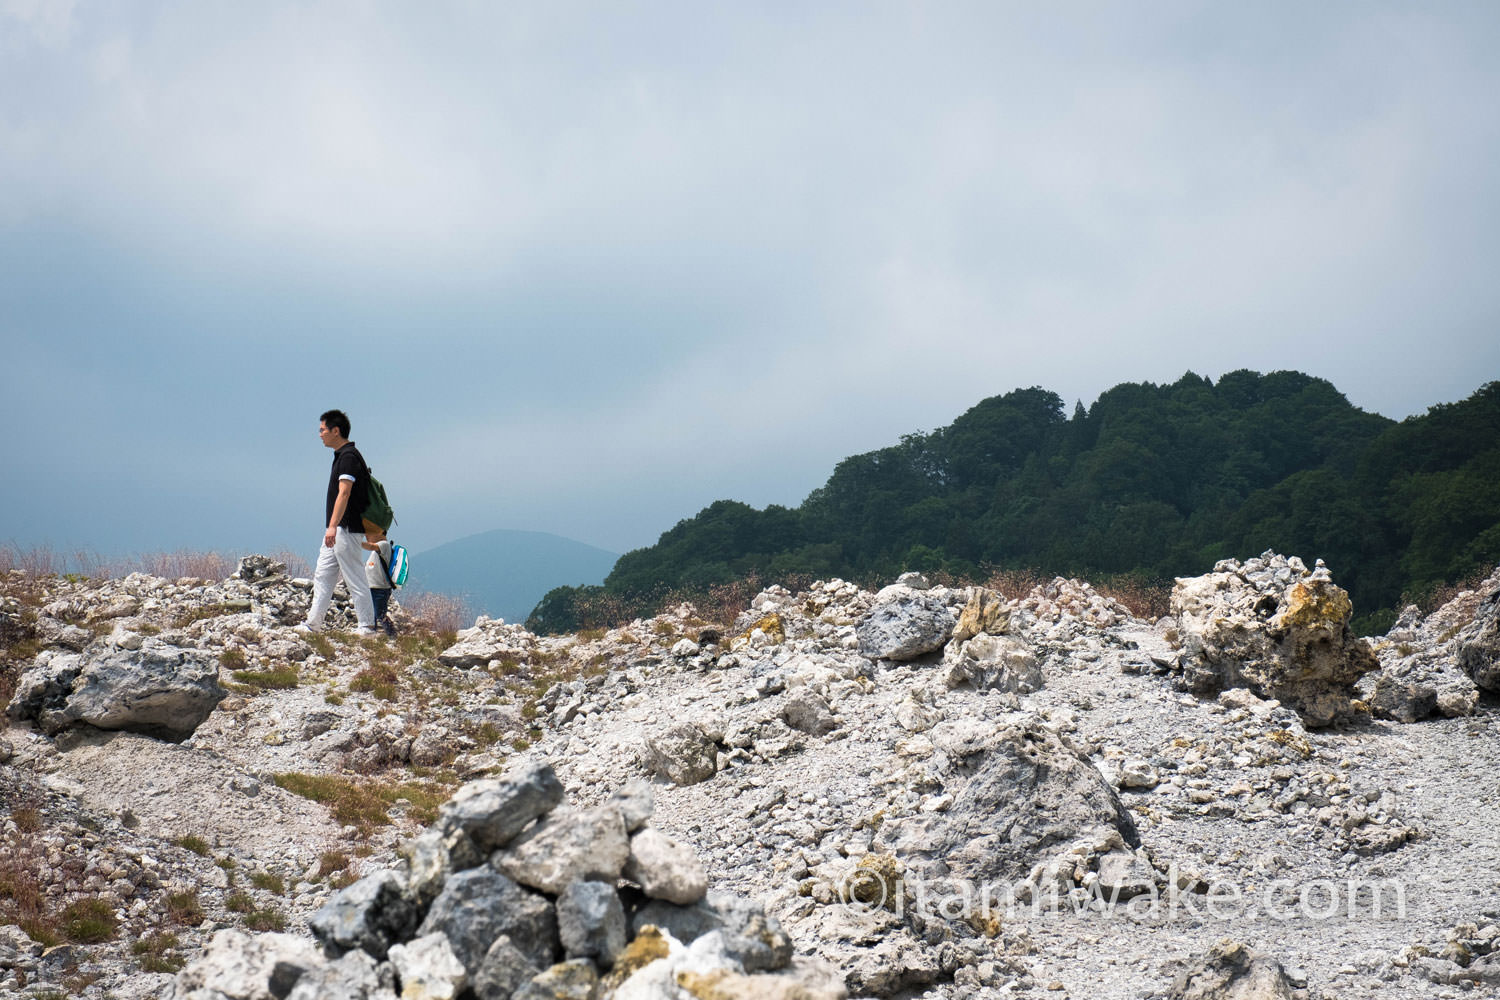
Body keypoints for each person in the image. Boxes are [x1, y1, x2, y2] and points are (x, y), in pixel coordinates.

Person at [298, 409, 377, 635]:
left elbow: (344, 493)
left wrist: (332, 526)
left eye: (322, 430)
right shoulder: (342, 457)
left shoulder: (349, 458)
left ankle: (367, 626)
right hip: (337, 530)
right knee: (323, 574)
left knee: (354, 575)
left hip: (346, 528)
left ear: (336, 430)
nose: (320, 435)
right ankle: (313, 624)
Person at [364, 537, 398, 637]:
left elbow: (370, 546)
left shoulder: (383, 544)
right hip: (374, 586)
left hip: (380, 588)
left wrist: (355, 541)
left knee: (380, 614)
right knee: (373, 613)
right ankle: (373, 632)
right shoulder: (379, 547)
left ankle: (392, 635)